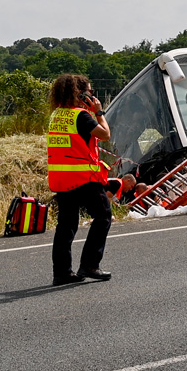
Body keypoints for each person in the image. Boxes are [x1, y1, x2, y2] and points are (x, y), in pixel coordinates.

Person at [47, 74, 114, 285]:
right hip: (83, 177)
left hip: (61, 178)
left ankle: (62, 272)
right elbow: (104, 135)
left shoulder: (56, 115)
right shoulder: (81, 116)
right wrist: (99, 113)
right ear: (80, 93)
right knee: (103, 216)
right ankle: (90, 265)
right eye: (89, 91)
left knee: (66, 225)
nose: (92, 95)